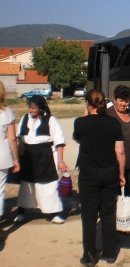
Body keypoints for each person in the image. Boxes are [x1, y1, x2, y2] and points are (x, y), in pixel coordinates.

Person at [73, 89, 125, 267]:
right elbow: (119, 151)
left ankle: (89, 255)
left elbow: (79, 140)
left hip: (89, 171)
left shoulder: (80, 122)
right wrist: (121, 173)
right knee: (108, 213)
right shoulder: (113, 122)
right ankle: (109, 252)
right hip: (109, 169)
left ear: (87, 103)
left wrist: (85, 116)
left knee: (89, 216)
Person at [15, 95, 68, 224]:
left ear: (40, 108)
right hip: (28, 156)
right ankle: (21, 211)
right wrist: (20, 145)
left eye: (33, 107)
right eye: (29, 107)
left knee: (48, 185)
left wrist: (60, 161)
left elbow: (59, 142)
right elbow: (20, 136)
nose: (30, 109)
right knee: (26, 185)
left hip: (45, 156)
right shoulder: (24, 119)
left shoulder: (51, 120)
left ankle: (54, 213)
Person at [107, 85, 130, 197]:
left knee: (129, 195)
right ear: (114, 100)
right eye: (121, 101)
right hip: (114, 163)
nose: (124, 104)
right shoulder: (108, 114)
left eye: (126, 101)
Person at [0, 81, 19, 222]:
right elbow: (12, 138)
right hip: (2, 156)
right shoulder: (7, 112)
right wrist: (16, 159)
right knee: (0, 192)